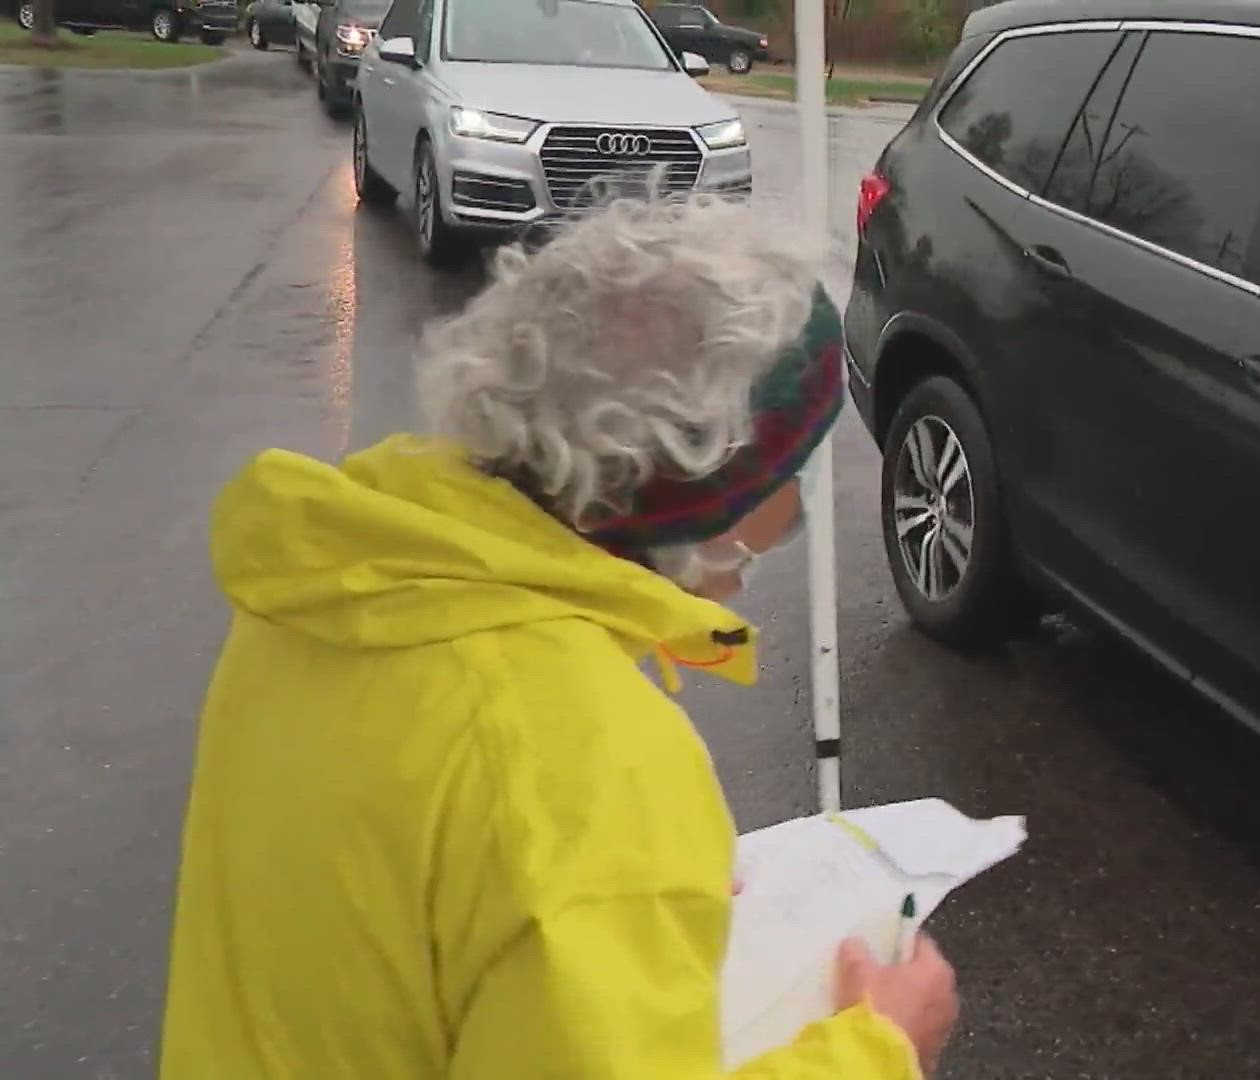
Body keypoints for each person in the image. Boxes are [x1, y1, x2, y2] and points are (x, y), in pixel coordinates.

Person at [160, 195, 959, 1078]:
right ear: (699, 492)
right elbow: (536, 816)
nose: (802, 507)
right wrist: (878, 1052)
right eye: (791, 470)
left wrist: (605, 911)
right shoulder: (580, 758)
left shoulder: (343, 582)